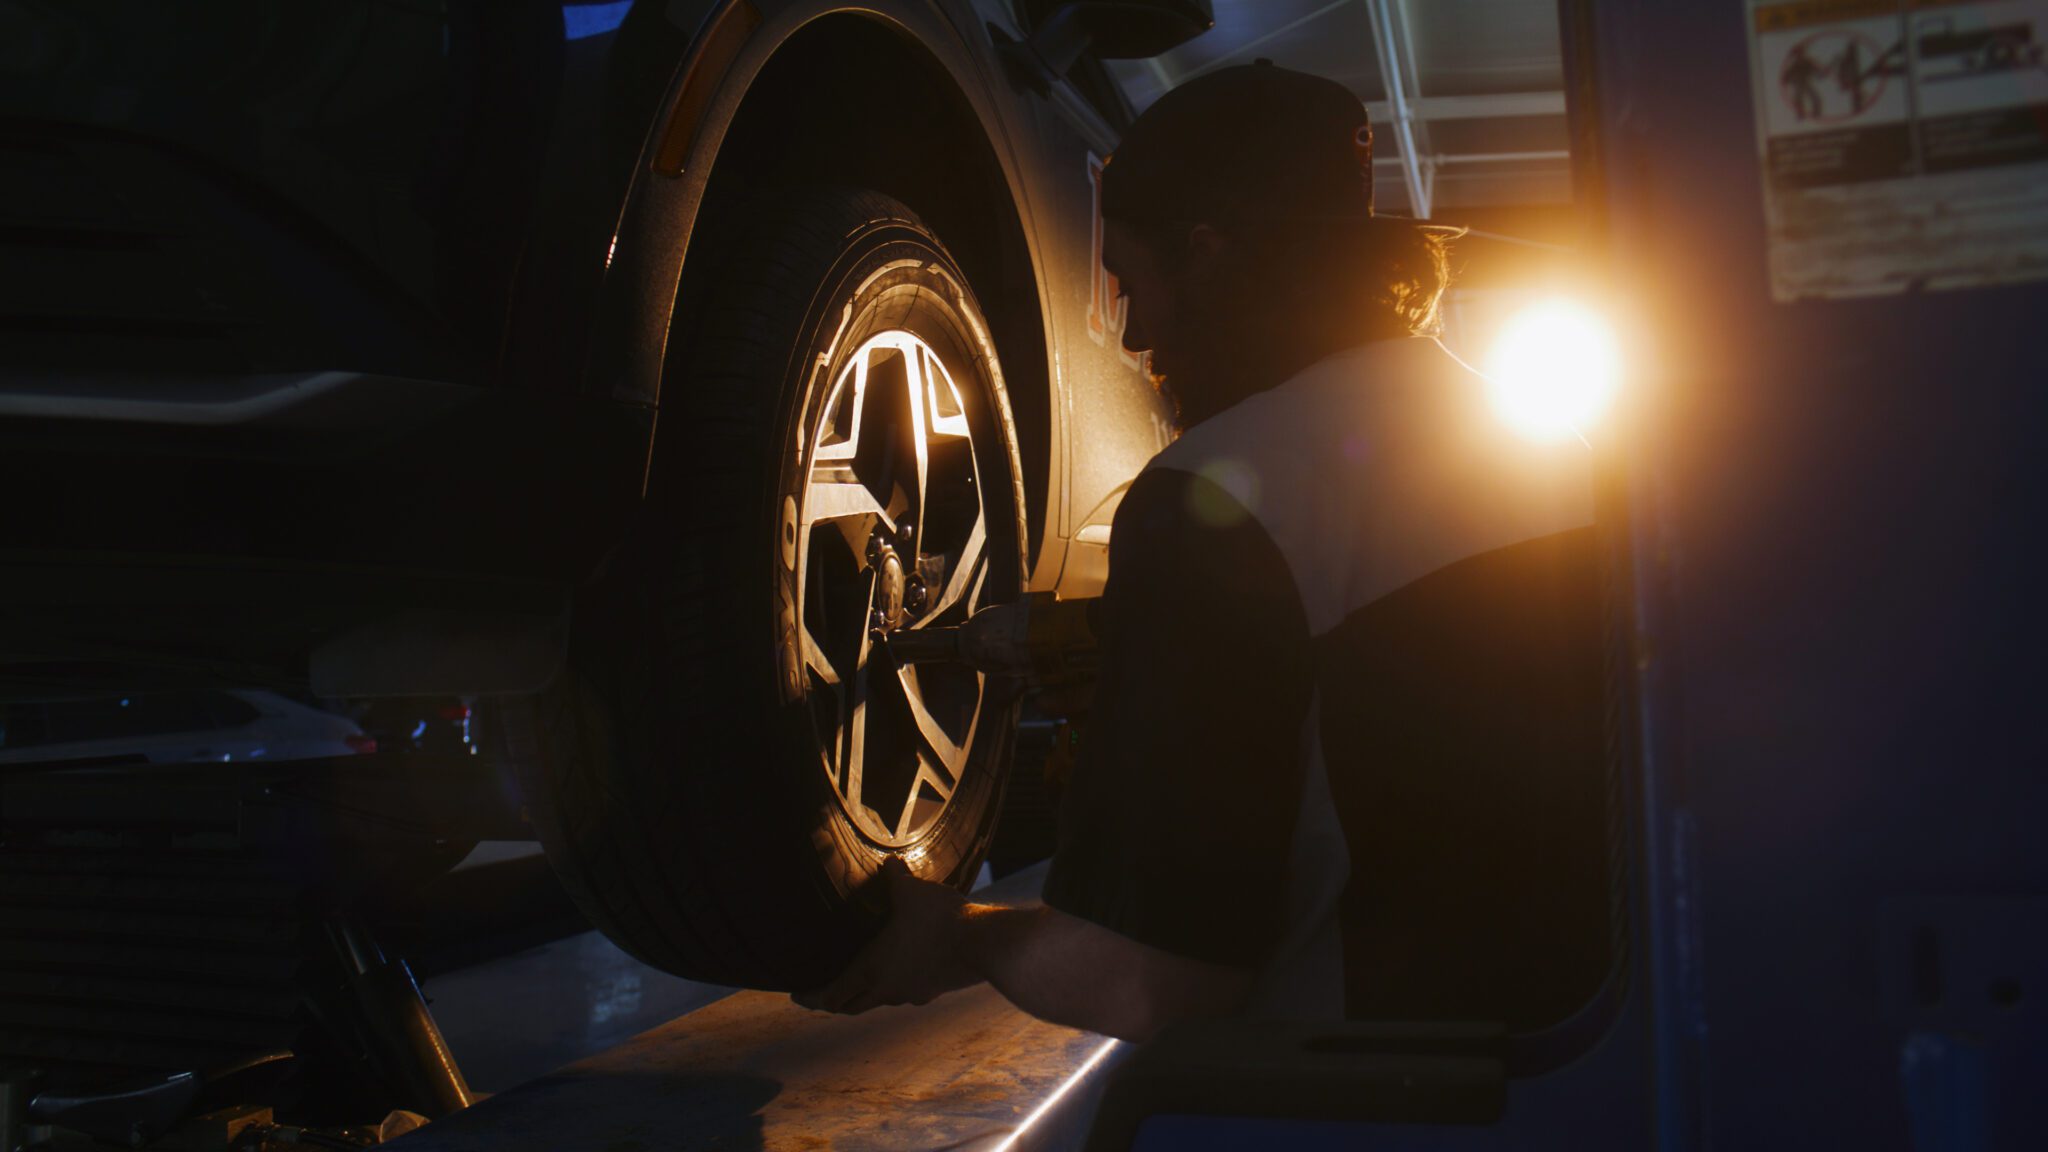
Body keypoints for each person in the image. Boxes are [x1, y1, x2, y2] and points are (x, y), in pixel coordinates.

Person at [795, 61, 1595, 1040]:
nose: (1132, 336)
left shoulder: (1209, 495)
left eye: (1130, 281)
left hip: (1374, 1087)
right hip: (1583, 1053)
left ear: (1207, 253)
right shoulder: (1544, 449)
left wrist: (958, 936)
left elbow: (1147, 985)